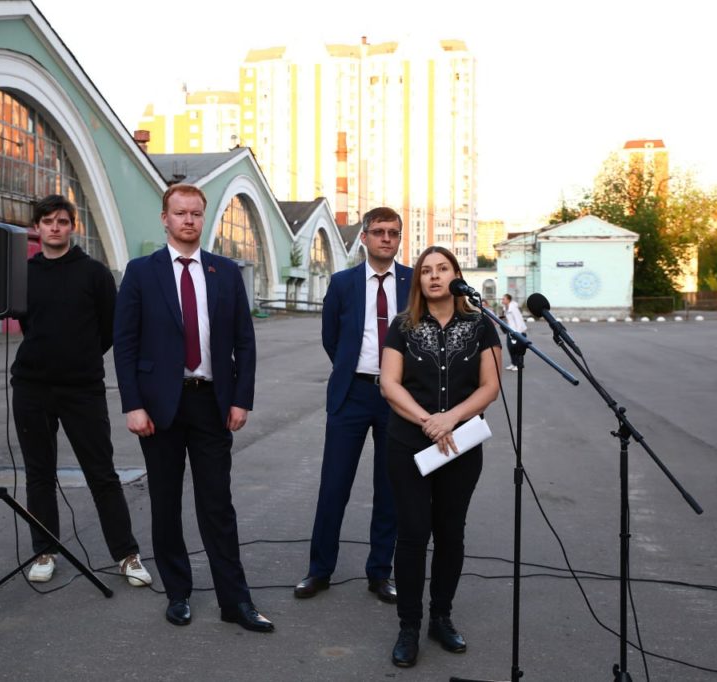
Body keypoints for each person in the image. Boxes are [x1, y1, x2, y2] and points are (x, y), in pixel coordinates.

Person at [113, 184, 273, 633]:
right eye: (180, 213)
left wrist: (241, 398)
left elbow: (244, 340)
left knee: (217, 504)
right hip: (159, 407)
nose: (188, 220)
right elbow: (124, 345)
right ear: (165, 218)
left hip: (211, 402)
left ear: (204, 218)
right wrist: (133, 405)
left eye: (196, 213)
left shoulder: (225, 272)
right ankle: (178, 593)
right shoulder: (141, 272)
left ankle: (235, 601)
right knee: (165, 503)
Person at [11, 194, 151, 587]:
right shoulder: (24, 274)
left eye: (62, 221)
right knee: (39, 473)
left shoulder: (95, 274)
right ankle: (44, 550)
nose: (55, 227)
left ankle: (126, 555)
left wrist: (80, 356)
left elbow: (111, 329)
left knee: (101, 473)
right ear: (37, 228)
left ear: (73, 227)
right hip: (32, 388)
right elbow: (28, 325)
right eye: (47, 221)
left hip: (82, 389)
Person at [379, 246, 501, 668]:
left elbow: (490, 387)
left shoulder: (481, 324)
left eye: (442, 268)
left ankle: (441, 618)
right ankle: (408, 626)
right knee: (413, 534)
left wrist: (451, 419)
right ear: (419, 281)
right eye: (426, 270)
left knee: (451, 533)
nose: (434, 276)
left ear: (456, 275)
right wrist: (428, 421)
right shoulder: (403, 326)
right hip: (408, 444)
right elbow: (389, 384)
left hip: (461, 445)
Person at [294, 207, 411, 604]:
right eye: (378, 232)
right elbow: (331, 337)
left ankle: (380, 573)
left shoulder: (412, 282)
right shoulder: (343, 283)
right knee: (334, 485)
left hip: (398, 398)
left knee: (390, 488)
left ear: (399, 239)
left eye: (393, 233)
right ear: (364, 237)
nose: (386, 238)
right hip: (352, 394)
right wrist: (352, 368)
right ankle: (319, 570)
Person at [501, 293, 527, 371]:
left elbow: (518, 320)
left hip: (517, 331)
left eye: (504, 299)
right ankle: (513, 363)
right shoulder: (505, 308)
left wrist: (518, 333)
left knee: (517, 348)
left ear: (508, 300)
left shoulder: (513, 308)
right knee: (510, 347)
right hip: (510, 330)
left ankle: (518, 365)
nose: (502, 300)